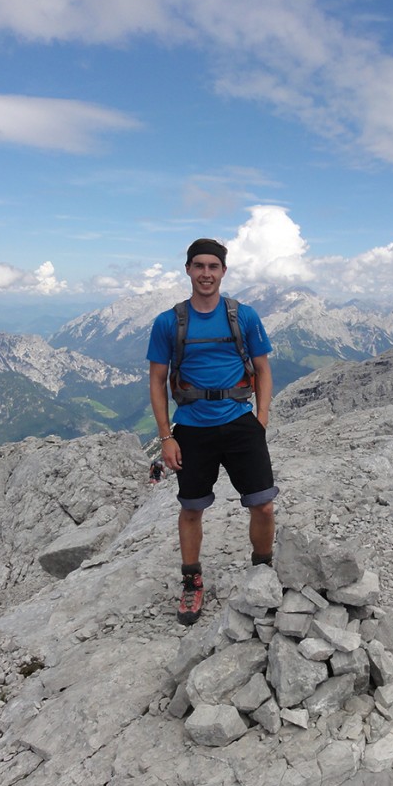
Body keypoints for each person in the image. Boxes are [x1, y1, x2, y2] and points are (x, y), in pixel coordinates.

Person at [146, 238, 278, 625]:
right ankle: (192, 581)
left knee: (264, 505)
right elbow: (156, 381)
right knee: (191, 509)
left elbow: (263, 369)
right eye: (199, 266)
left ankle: (262, 567)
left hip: (240, 424)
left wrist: (261, 418)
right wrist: (165, 437)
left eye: (213, 267)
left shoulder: (245, 316)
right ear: (188, 269)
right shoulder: (168, 322)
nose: (206, 273)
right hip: (191, 427)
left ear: (223, 271)